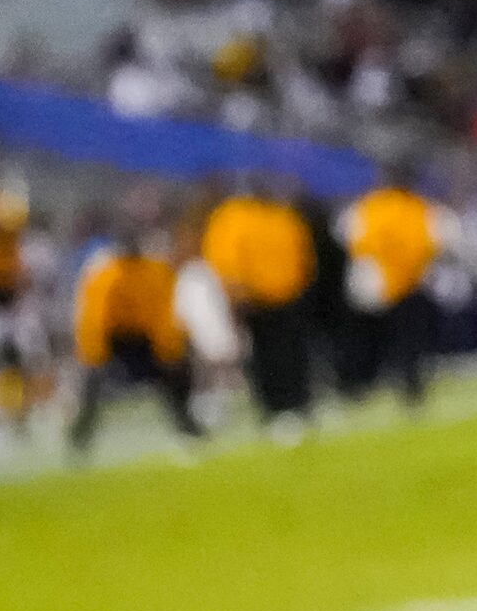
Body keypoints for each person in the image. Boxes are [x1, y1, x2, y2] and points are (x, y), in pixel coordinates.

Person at [67, 223, 201, 453]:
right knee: (92, 382)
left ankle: (186, 425)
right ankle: (81, 436)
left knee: (179, 371)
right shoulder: (106, 275)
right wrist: (94, 355)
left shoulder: (156, 271)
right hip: (116, 340)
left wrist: (169, 348)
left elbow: (164, 313)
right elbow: (95, 320)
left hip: (147, 340)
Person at [199, 177, 317, 434]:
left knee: (293, 355)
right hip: (253, 300)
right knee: (263, 358)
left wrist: (299, 285)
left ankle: (298, 404)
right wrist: (236, 293)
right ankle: (273, 409)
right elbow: (224, 261)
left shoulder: (282, 215)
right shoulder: (234, 217)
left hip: (287, 297)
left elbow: (301, 252)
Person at [333, 176, 455, 404]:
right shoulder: (418, 207)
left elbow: (345, 237)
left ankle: (360, 386)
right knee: (403, 340)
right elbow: (441, 241)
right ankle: (406, 387)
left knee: (371, 340)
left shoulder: (367, 208)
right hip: (404, 281)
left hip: (376, 283)